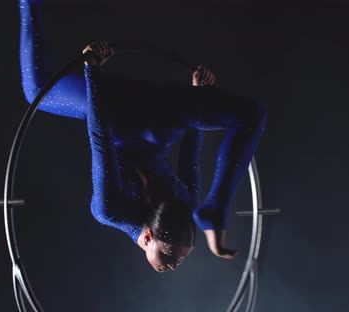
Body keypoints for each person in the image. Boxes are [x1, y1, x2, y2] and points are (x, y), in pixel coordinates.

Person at [18, 0, 267, 273]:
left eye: (174, 258)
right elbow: (186, 154)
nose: (173, 267)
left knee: (250, 115)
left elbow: (101, 142)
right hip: (149, 114)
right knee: (36, 91)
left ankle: (216, 212)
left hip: (145, 115)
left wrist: (94, 72)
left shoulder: (116, 209)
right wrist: (198, 94)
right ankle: (215, 212)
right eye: (177, 259)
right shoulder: (118, 210)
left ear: (148, 238)